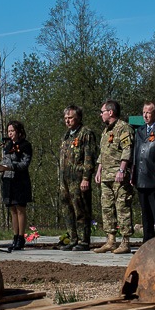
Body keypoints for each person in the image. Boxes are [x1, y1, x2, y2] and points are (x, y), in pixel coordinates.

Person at [94, 100, 134, 254]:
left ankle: (125, 242)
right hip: (106, 176)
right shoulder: (105, 131)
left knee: (122, 206)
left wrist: (122, 170)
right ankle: (110, 240)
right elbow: (103, 153)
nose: (100, 114)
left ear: (110, 112)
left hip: (119, 176)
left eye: (102, 111)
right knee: (107, 208)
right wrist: (99, 170)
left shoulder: (123, 128)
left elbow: (127, 150)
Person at [58, 105, 98, 251]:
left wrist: (86, 178)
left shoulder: (86, 134)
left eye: (70, 118)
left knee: (81, 209)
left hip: (79, 178)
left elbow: (89, 157)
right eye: (66, 118)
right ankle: (73, 238)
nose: (67, 121)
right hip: (65, 180)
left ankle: (83, 240)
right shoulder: (66, 135)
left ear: (78, 118)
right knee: (67, 209)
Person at [131, 100, 155, 242]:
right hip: (141, 176)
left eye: (148, 112)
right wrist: (133, 174)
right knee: (145, 212)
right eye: (144, 112)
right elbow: (136, 154)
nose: (146, 115)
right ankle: (147, 239)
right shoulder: (140, 131)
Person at [0, 120, 33, 251]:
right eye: (8, 131)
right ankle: (14, 236)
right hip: (8, 180)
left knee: (20, 208)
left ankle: (21, 237)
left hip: (20, 180)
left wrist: (11, 166)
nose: (10, 133)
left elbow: (25, 163)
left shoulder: (25, 145)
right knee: (12, 210)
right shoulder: (7, 146)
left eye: (12, 131)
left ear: (19, 132)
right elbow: (4, 160)